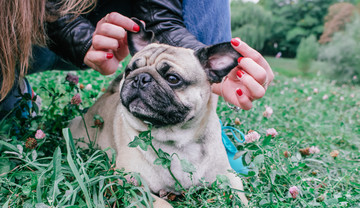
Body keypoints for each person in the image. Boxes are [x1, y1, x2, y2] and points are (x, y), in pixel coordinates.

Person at [0, 0, 273, 119]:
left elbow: (160, 17)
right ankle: (10, 89)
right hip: (21, 36)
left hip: (118, 32)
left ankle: (204, 126)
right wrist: (83, 40)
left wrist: (206, 64)